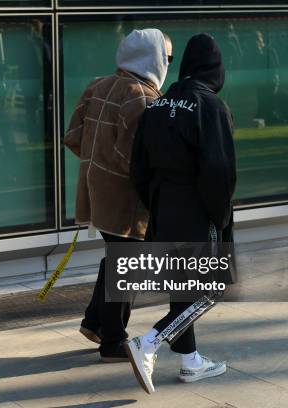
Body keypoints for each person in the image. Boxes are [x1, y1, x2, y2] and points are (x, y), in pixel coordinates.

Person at [126, 33, 237, 393]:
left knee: (182, 286)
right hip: (196, 207)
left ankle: (190, 361)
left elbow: (138, 167)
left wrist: (154, 202)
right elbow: (218, 172)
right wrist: (219, 219)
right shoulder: (211, 107)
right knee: (209, 289)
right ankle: (150, 342)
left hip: (163, 204)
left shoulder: (157, 105)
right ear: (215, 69)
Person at [64, 29, 172, 362]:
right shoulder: (142, 97)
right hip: (127, 199)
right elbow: (139, 159)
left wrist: (97, 165)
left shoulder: (98, 85)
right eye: (167, 57)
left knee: (118, 258)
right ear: (151, 57)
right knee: (129, 263)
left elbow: (73, 136)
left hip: (95, 191)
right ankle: (113, 339)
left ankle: (96, 321)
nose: (168, 63)